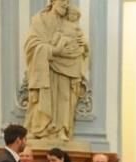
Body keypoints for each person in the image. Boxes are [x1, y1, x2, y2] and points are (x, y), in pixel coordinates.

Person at [24, 0, 89, 141]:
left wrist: (83, 45)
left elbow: (80, 42)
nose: (66, 4)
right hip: (46, 66)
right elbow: (31, 45)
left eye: (67, 2)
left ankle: (61, 129)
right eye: (63, 1)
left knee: (65, 99)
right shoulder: (39, 20)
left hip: (67, 65)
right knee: (44, 97)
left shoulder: (70, 23)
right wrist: (54, 50)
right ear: (52, 1)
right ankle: (39, 128)